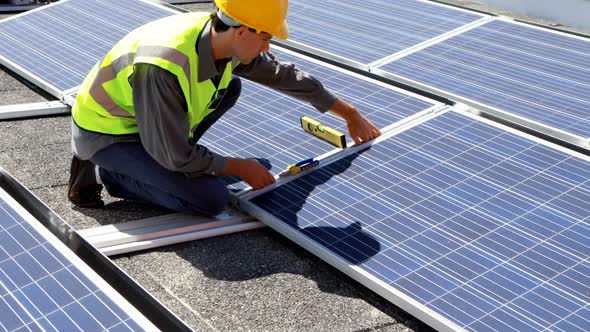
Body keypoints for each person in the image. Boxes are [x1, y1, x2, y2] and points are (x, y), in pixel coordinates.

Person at [68, 0, 381, 216]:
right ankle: (105, 173)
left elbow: (282, 74)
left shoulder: (220, 38)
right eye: (265, 38)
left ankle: (157, 164)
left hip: (148, 124)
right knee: (210, 199)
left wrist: (348, 113)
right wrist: (237, 166)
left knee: (229, 87)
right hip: (107, 133)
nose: (267, 47)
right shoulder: (163, 66)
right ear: (242, 30)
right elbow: (174, 156)